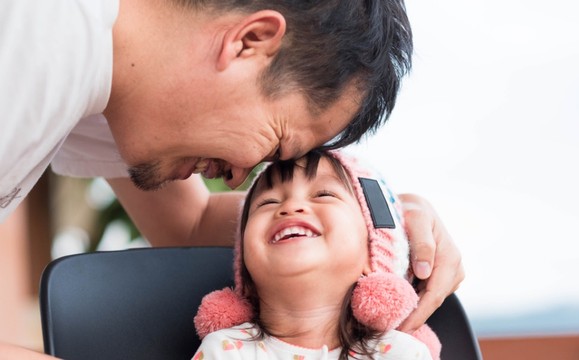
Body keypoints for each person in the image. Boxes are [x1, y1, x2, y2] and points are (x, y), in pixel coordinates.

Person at [0, 0, 463, 357]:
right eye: (276, 144)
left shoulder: (109, 83)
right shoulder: (25, 45)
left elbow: (193, 223)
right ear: (251, 41)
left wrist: (382, 224)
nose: (244, 174)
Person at [193, 150, 442, 360]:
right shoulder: (223, 350)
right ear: (245, 267)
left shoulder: (403, 354)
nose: (290, 207)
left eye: (324, 194)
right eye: (267, 202)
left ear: (374, 256)